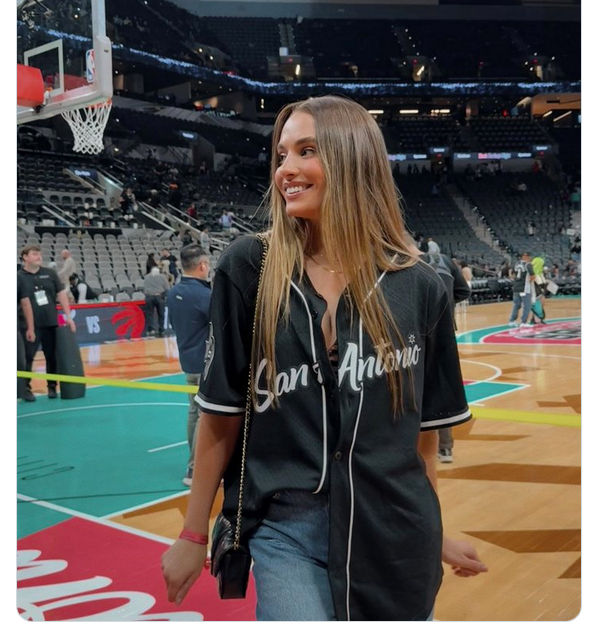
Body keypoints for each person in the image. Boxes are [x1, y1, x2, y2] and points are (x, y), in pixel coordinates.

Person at [161, 96, 487, 621]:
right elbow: (220, 416)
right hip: (287, 529)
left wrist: (434, 531)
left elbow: (420, 440)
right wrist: (192, 534)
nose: (285, 170)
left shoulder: (421, 286)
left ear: (352, 158)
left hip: (394, 529)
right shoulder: (249, 268)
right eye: (282, 155)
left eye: (306, 151)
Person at [166, 245, 212, 487]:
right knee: (204, 415)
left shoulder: (173, 293)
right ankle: (195, 469)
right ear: (202, 265)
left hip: (187, 361)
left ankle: (194, 466)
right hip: (205, 363)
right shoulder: (204, 295)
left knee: (194, 412)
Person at [421, 244, 471, 464]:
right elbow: (464, 291)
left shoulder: (408, 263)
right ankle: (445, 448)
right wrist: (447, 305)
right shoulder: (446, 261)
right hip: (445, 331)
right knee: (441, 387)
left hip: (416, 332)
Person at [17, 244, 77, 400]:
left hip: (50, 322)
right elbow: (22, 301)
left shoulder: (50, 274)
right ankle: (26, 389)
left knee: (52, 356)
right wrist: (29, 327)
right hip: (29, 325)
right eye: (34, 254)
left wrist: (68, 316)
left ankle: (52, 386)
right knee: (27, 357)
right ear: (25, 257)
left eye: (39, 254)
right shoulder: (19, 277)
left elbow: (61, 294)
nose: (39, 256)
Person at [508, 252, 536, 328]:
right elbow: (533, 276)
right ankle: (523, 322)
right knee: (527, 305)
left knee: (516, 305)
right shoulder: (528, 265)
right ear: (528, 257)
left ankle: (512, 321)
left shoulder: (517, 264)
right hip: (525, 288)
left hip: (516, 287)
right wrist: (530, 282)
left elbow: (512, 274)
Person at [143, 266, 169, 336]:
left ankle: (151, 329)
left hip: (149, 296)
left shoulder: (147, 277)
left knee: (149, 314)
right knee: (161, 314)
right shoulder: (163, 277)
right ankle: (161, 330)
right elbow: (167, 288)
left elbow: (145, 288)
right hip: (159, 296)